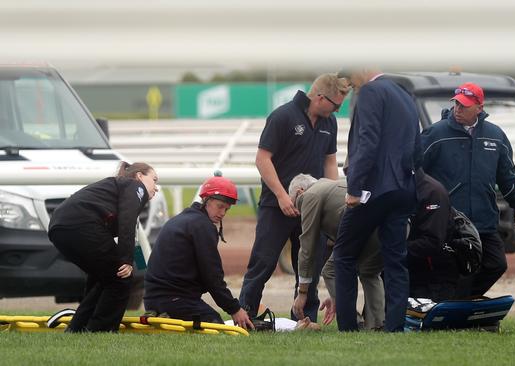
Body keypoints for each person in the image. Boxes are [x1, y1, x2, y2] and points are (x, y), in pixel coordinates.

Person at [239, 73, 349, 321]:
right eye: (336, 105)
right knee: (263, 263)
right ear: (320, 98)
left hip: (313, 207)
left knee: (310, 265)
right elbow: (262, 158)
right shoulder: (283, 116)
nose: (337, 111)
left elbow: (329, 162)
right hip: (275, 205)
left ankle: (304, 317)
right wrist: (281, 196)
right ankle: (244, 314)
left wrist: (330, 199)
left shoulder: (329, 123)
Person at [420, 82, 515, 299]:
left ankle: (460, 301)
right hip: (449, 221)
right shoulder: (435, 134)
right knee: (456, 268)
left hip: (484, 220)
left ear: (479, 107)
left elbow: (507, 176)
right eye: (456, 104)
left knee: (496, 264)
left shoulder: (496, 136)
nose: (458, 109)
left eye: (464, 106)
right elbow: (414, 171)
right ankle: (454, 304)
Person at [334, 68, 420, 332]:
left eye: (351, 79)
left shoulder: (371, 91)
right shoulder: (404, 93)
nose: (350, 86)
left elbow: (367, 141)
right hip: (403, 187)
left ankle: (348, 327)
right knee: (395, 261)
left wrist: (355, 188)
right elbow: (417, 143)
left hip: (374, 189)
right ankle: (394, 327)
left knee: (343, 254)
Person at [47, 161, 158, 332]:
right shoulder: (136, 186)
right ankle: (100, 331)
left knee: (102, 278)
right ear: (139, 176)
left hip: (58, 228)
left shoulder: (118, 186)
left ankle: (77, 329)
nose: (156, 188)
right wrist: (126, 260)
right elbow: (126, 223)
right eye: (154, 180)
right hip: (81, 225)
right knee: (120, 277)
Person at [144, 174, 254, 330]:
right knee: (216, 324)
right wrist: (235, 309)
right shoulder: (202, 226)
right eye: (220, 206)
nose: (223, 213)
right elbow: (212, 276)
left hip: (152, 300)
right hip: (175, 300)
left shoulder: (182, 219)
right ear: (206, 200)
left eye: (227, 209)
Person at [287, 174, 384, 330]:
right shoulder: (329, 186)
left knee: (331, 270)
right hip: (384, 225)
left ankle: (354, 321)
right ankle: (379, 324)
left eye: (296, 204)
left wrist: (303, 292)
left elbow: (307, 247)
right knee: (370, 273)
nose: (299, 211)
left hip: (362, 228)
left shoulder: (310, 195)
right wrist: (335, 295)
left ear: (300, 192)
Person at [407, 169, 482, 302]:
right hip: (409, 270)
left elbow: (433, 242)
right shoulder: (396, 186)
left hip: (434, 277)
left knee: (428, 319)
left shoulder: (432, 192)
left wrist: (394, 250)